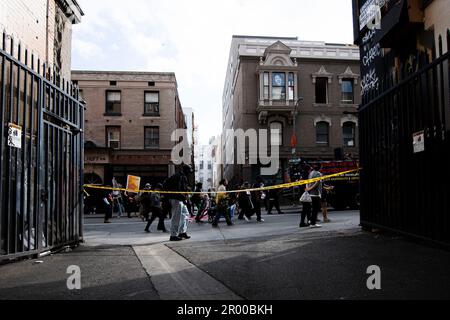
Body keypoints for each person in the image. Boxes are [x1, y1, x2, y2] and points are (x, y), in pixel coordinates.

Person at [165, 165, 192, 241]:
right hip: (176, 198)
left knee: (185, 214)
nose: (189, 173)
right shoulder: (178, 176)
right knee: (176, 217)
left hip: (180, 199)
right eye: (189, 171)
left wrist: (186, 192)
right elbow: (178, 189)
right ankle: (173, 235)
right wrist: (185, 197)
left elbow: (183, 188)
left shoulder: (182, 176)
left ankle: (182, 232)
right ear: (185, 170)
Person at [305, 164, 323, 228]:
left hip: (311, 193)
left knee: (313, 209)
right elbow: (317, 183)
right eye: (321, 167)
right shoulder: (319, 174)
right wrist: (310, 188)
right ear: (320, 168)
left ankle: (311, 221)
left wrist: (308, 188)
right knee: (316, 209)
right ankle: (313, 223)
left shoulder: (311, 173)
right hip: (316, 193)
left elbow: (307, 182)